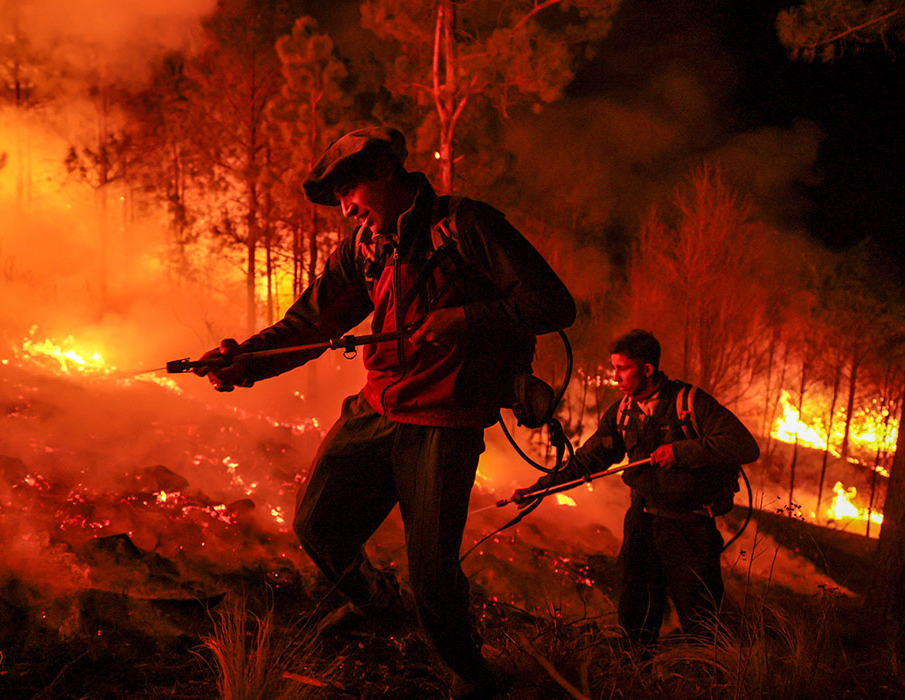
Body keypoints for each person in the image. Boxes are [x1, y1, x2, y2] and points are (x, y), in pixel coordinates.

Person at [196, 126, 575, 699]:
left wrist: (464, 319)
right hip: (376, 409)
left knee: (432, 572)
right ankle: (379, 603)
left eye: (349, 192)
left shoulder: (465, 226)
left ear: (386, 173)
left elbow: (553, 303)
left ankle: (473, 678)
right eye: (339, 201)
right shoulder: (365, 250)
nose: (346, 210)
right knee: (318, 526)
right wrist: (244, 361)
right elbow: (311, 325)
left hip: (443, 426)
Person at [514, 329, 759, 646]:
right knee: (635, 614)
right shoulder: (620, 414)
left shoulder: (690, 403)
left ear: (647, 369)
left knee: (701, 618)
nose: (614, 376)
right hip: (642, 523)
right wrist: (537, 489)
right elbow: (587, 462)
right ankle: (634, 676)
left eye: (622, 368)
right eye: (613, 367)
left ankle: (710, 680)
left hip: (689, 527)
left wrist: (680, 452)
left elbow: (744, 446)